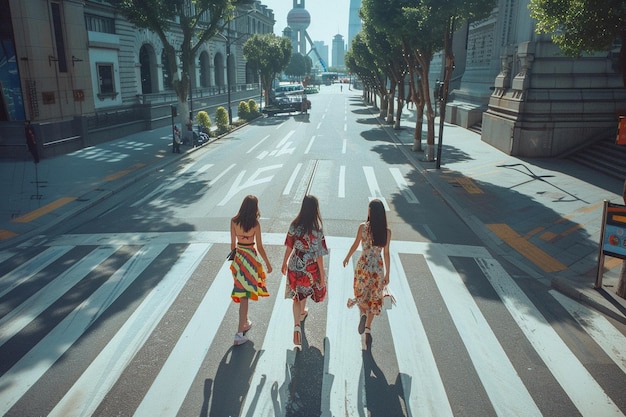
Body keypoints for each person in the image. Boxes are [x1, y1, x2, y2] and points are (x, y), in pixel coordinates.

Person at [281, 195, 328, 349]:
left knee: (296, 295)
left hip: (295, 263)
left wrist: (284, 262)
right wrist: (322, 275)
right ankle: (302, 312)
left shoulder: (294, 225)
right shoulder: (317, 229)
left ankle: (296, 324)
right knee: (305, 290)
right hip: (309, 266)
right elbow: (319, 255)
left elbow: (289, 246)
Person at [342, 199, 391, 346]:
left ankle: (362, 313)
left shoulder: (363, 227)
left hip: (363, 266)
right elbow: (386, 253)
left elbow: (355, 244)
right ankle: (368, 328)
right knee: (374, 298)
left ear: (370, 212)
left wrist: (347, 257)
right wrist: (387, 274)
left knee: (361, 294)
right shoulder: (387, 232)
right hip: (377, 269)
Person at [230, 195, 273, 346]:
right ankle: (239, 333)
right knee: (245, 296)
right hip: (250, 259)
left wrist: (235, 264)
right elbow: (260, 247)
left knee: (243, 295)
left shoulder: (234, 221)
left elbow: (232, 246)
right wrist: (268, 263)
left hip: (239, 258)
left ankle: (245, 323)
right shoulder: (255, 224)